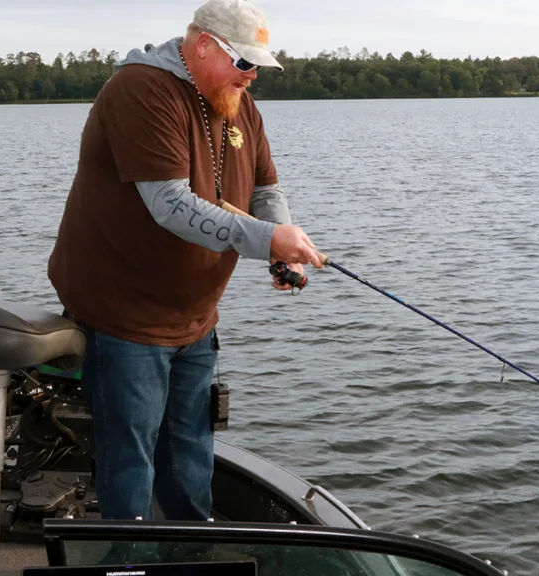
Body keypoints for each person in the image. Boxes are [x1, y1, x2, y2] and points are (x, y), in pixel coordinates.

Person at [46, 0, 322, 521]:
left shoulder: (237, 101)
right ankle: (128, 559)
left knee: (191, 454)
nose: (253, 74)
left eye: (259, 63)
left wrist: (283, 252)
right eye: (243, 62)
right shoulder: (142, 90)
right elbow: (170, 206)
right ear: (202, 45)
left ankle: (192, 550)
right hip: (123, 314)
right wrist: (267, 240)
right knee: (130, 458)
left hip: (194, 318)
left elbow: (266, 188)